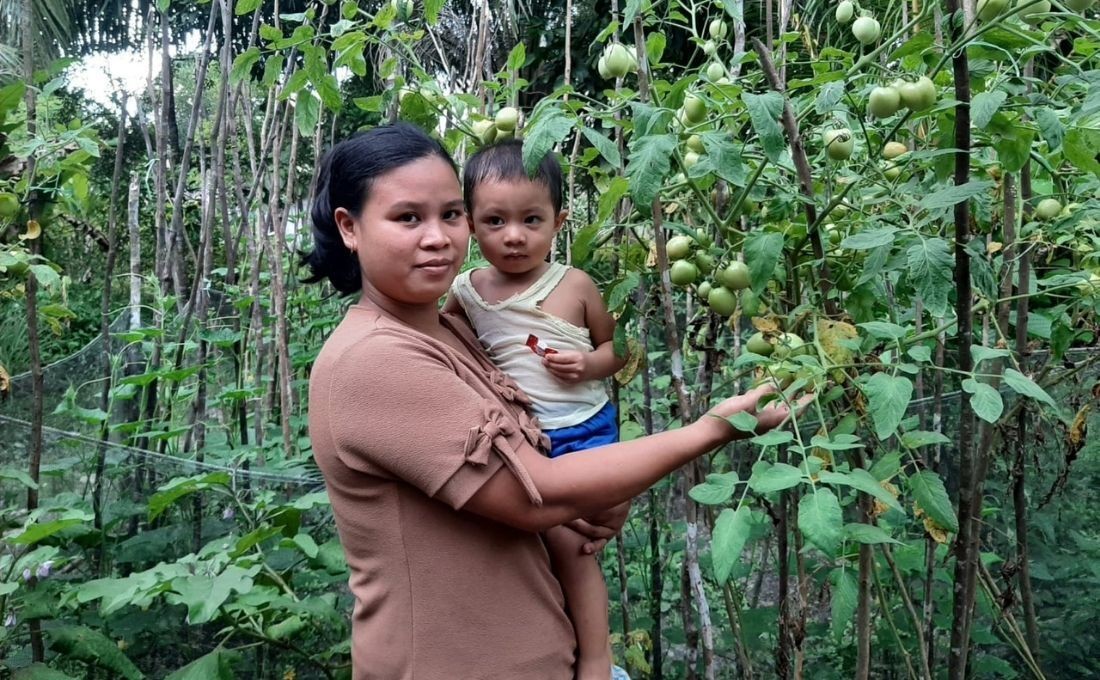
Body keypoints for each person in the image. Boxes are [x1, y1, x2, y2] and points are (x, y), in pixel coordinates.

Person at [304, 122, 807, 680]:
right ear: (349, 227)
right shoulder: (373, 361)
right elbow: (535, 495)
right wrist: (714, 427)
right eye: (407, 218)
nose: (437, 237)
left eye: (450, 214)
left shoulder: (453, 330)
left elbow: (544, 447)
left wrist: (601, 491)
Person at [443, 139, 625, 679]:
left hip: (583, 428)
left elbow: (620, 350)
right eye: (495, 221)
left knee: (573, 547)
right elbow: (446, 343)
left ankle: (597, 660)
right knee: (527, 548)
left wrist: (588, 366)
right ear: (472, 226)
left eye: (531, 219)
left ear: (559, 221)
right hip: (524, 438)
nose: (514, 235)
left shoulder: (575, 285)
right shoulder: (467, 292)